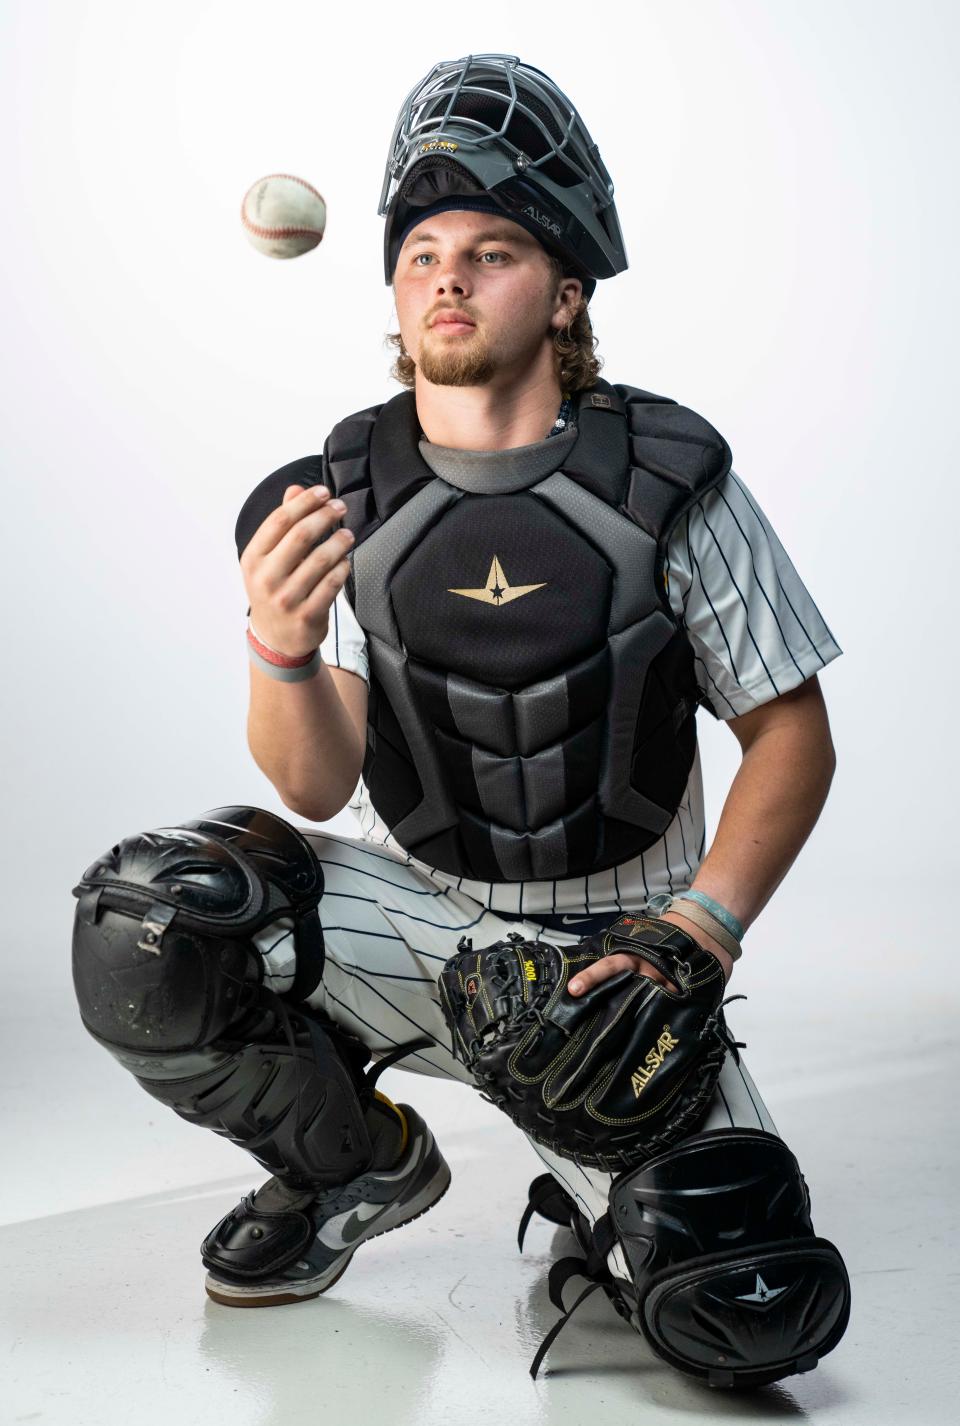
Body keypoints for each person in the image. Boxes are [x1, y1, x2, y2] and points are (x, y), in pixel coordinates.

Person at [71, 55, 850, 1389]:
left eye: (489, 251)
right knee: (150, 924)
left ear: (563, 290)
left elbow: (793, 735)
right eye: (423, 251)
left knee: (743, 1303)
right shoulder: (347, 486)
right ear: (393, 288)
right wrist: (280, 645)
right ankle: (353, 1166)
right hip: (425, 931)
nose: (446, 275)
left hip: (617, 972)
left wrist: (700, 932)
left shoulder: (673, 480)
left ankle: (597, 1213)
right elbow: (316, 784)